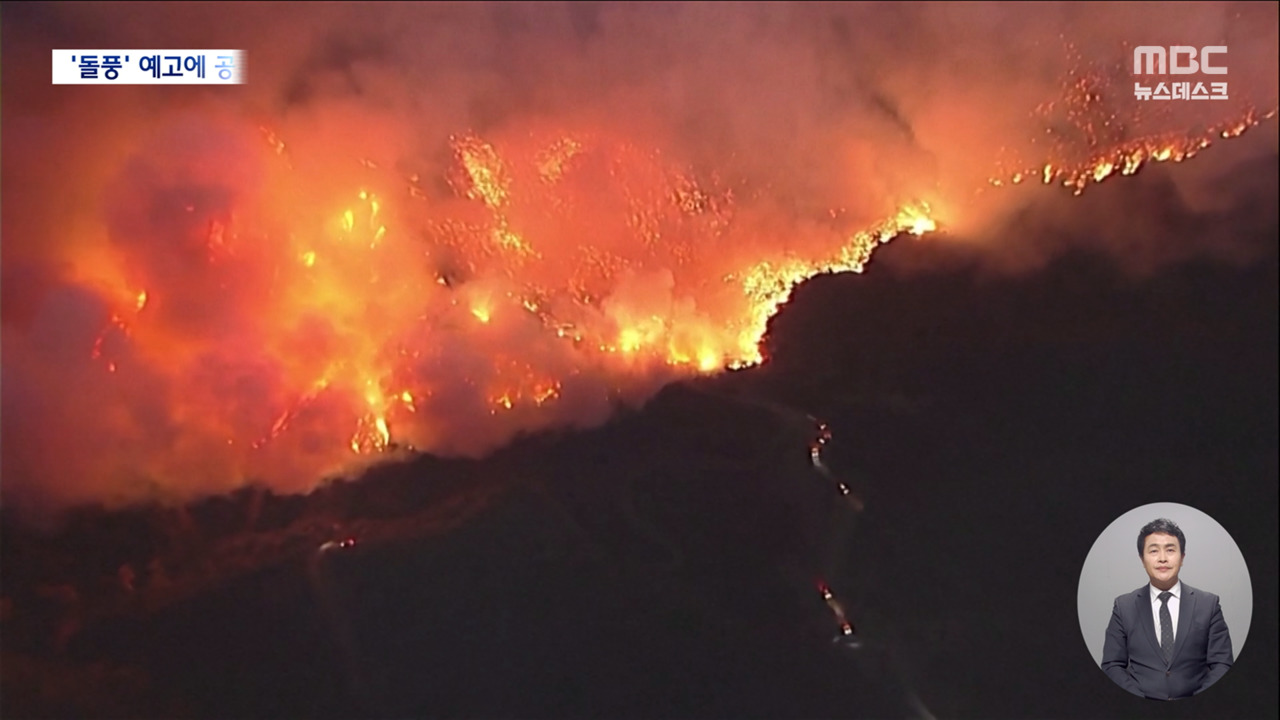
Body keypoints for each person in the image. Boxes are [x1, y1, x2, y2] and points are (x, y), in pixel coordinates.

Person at [1101, 518, 1233, 699]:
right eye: (1154, 551)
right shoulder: (1124, 606)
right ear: (1142, 559)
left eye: (1170, 550)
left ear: (1182, 557)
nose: (1162, 558)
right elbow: (1112, 664)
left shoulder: (1208, 604)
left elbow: (1222, 664)